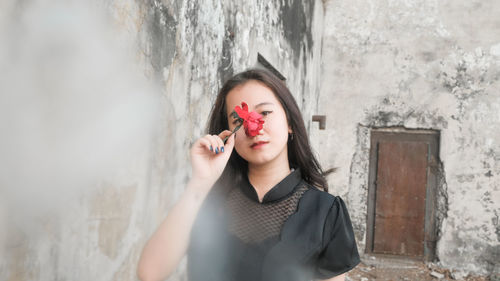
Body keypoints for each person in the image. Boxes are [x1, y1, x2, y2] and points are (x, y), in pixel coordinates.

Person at [137, 69, 360, 281]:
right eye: (238, 120)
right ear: (229, 133)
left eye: (264, 112)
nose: (254, 128)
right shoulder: (206, 201)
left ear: (289, 123)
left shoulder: (326, 212)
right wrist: (200, 182)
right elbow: (150, 273)